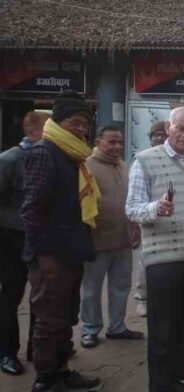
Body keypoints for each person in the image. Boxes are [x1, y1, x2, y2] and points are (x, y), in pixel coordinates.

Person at [126, 106, 184, 392]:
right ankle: (160, 384)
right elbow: (131, 209)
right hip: (163, 259)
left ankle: (176, 377)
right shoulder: (144, 161)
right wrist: (156, 207)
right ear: (169, 128)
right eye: (181, 128)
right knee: (163, 325)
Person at [21, 91, 101, 391]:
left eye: (84, 125)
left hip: (70, 250)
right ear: (58, 121)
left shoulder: (73, 154)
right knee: (49, 318)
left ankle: (63, 371)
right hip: (50, 254)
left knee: (67, 314)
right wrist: (41, 255)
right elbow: (32, 209)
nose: (81, 129)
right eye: (75, 123)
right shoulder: (45, 152)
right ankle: (46, 379)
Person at [79, 126, 144, 349]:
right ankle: (90, 329)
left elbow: (132, 200)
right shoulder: (86, 165)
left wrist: (135, 227)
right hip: (96, 240)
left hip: (123, 239)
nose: (117, 146)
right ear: (98, 141)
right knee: (91, 288)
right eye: (111, 142)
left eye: (119, 142)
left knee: (121, 285)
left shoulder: (124, 166)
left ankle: (117, 327)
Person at [0, 111, 49, 376]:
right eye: (49, 129)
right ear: (33, 131)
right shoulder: (9, 159)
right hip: (12, 239)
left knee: (40, 297)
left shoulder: (48, 158)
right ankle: (7, 352)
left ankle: (36, 348)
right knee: (11, 296)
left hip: (41, 239)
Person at [134, 121, 169, 318]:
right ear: (150, 138)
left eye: (162, 135)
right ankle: (142, 299)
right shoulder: (142, 160)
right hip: (149, 220)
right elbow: (134, 201)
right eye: (155, 135)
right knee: (145, 264)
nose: (159, 138)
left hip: (170, 221)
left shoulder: (173, 159)